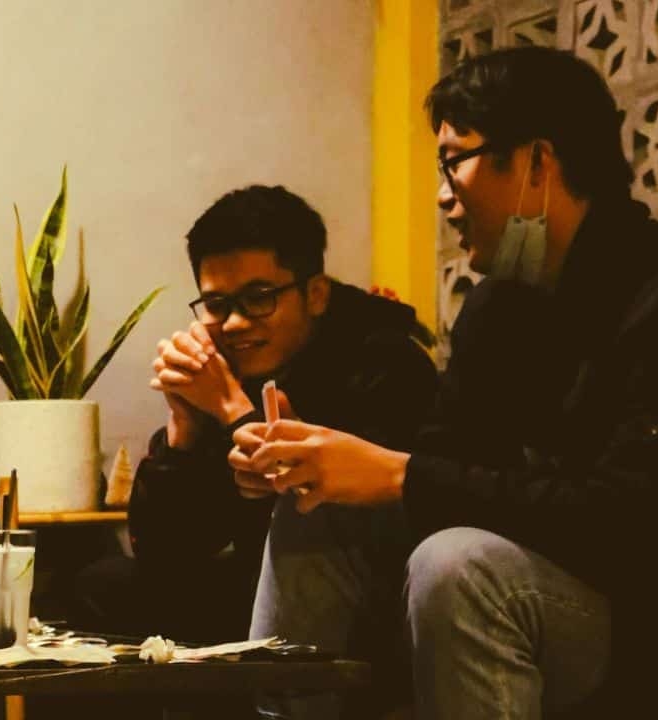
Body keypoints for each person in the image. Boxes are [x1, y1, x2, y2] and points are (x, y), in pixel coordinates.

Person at [230, 47, 658, 720]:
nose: (443, 195)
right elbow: (452, 467)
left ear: (537, 163)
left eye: (455, 161)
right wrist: (317, 465)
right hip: (554, 584)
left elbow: (629, 524)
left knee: (460, 566)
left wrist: (401, 475)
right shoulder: (499, 307)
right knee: (319, 516)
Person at [74, 185, 437, 654]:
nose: (235, 323)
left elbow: (336, 526)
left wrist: (229, 406)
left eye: (259, 297)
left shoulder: (384, 363)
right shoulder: (229, 365)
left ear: (316, 294)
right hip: (254, 576)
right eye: (216, 304)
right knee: (103, 586)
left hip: (359, 590)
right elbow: (164, 555)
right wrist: (184, 426)